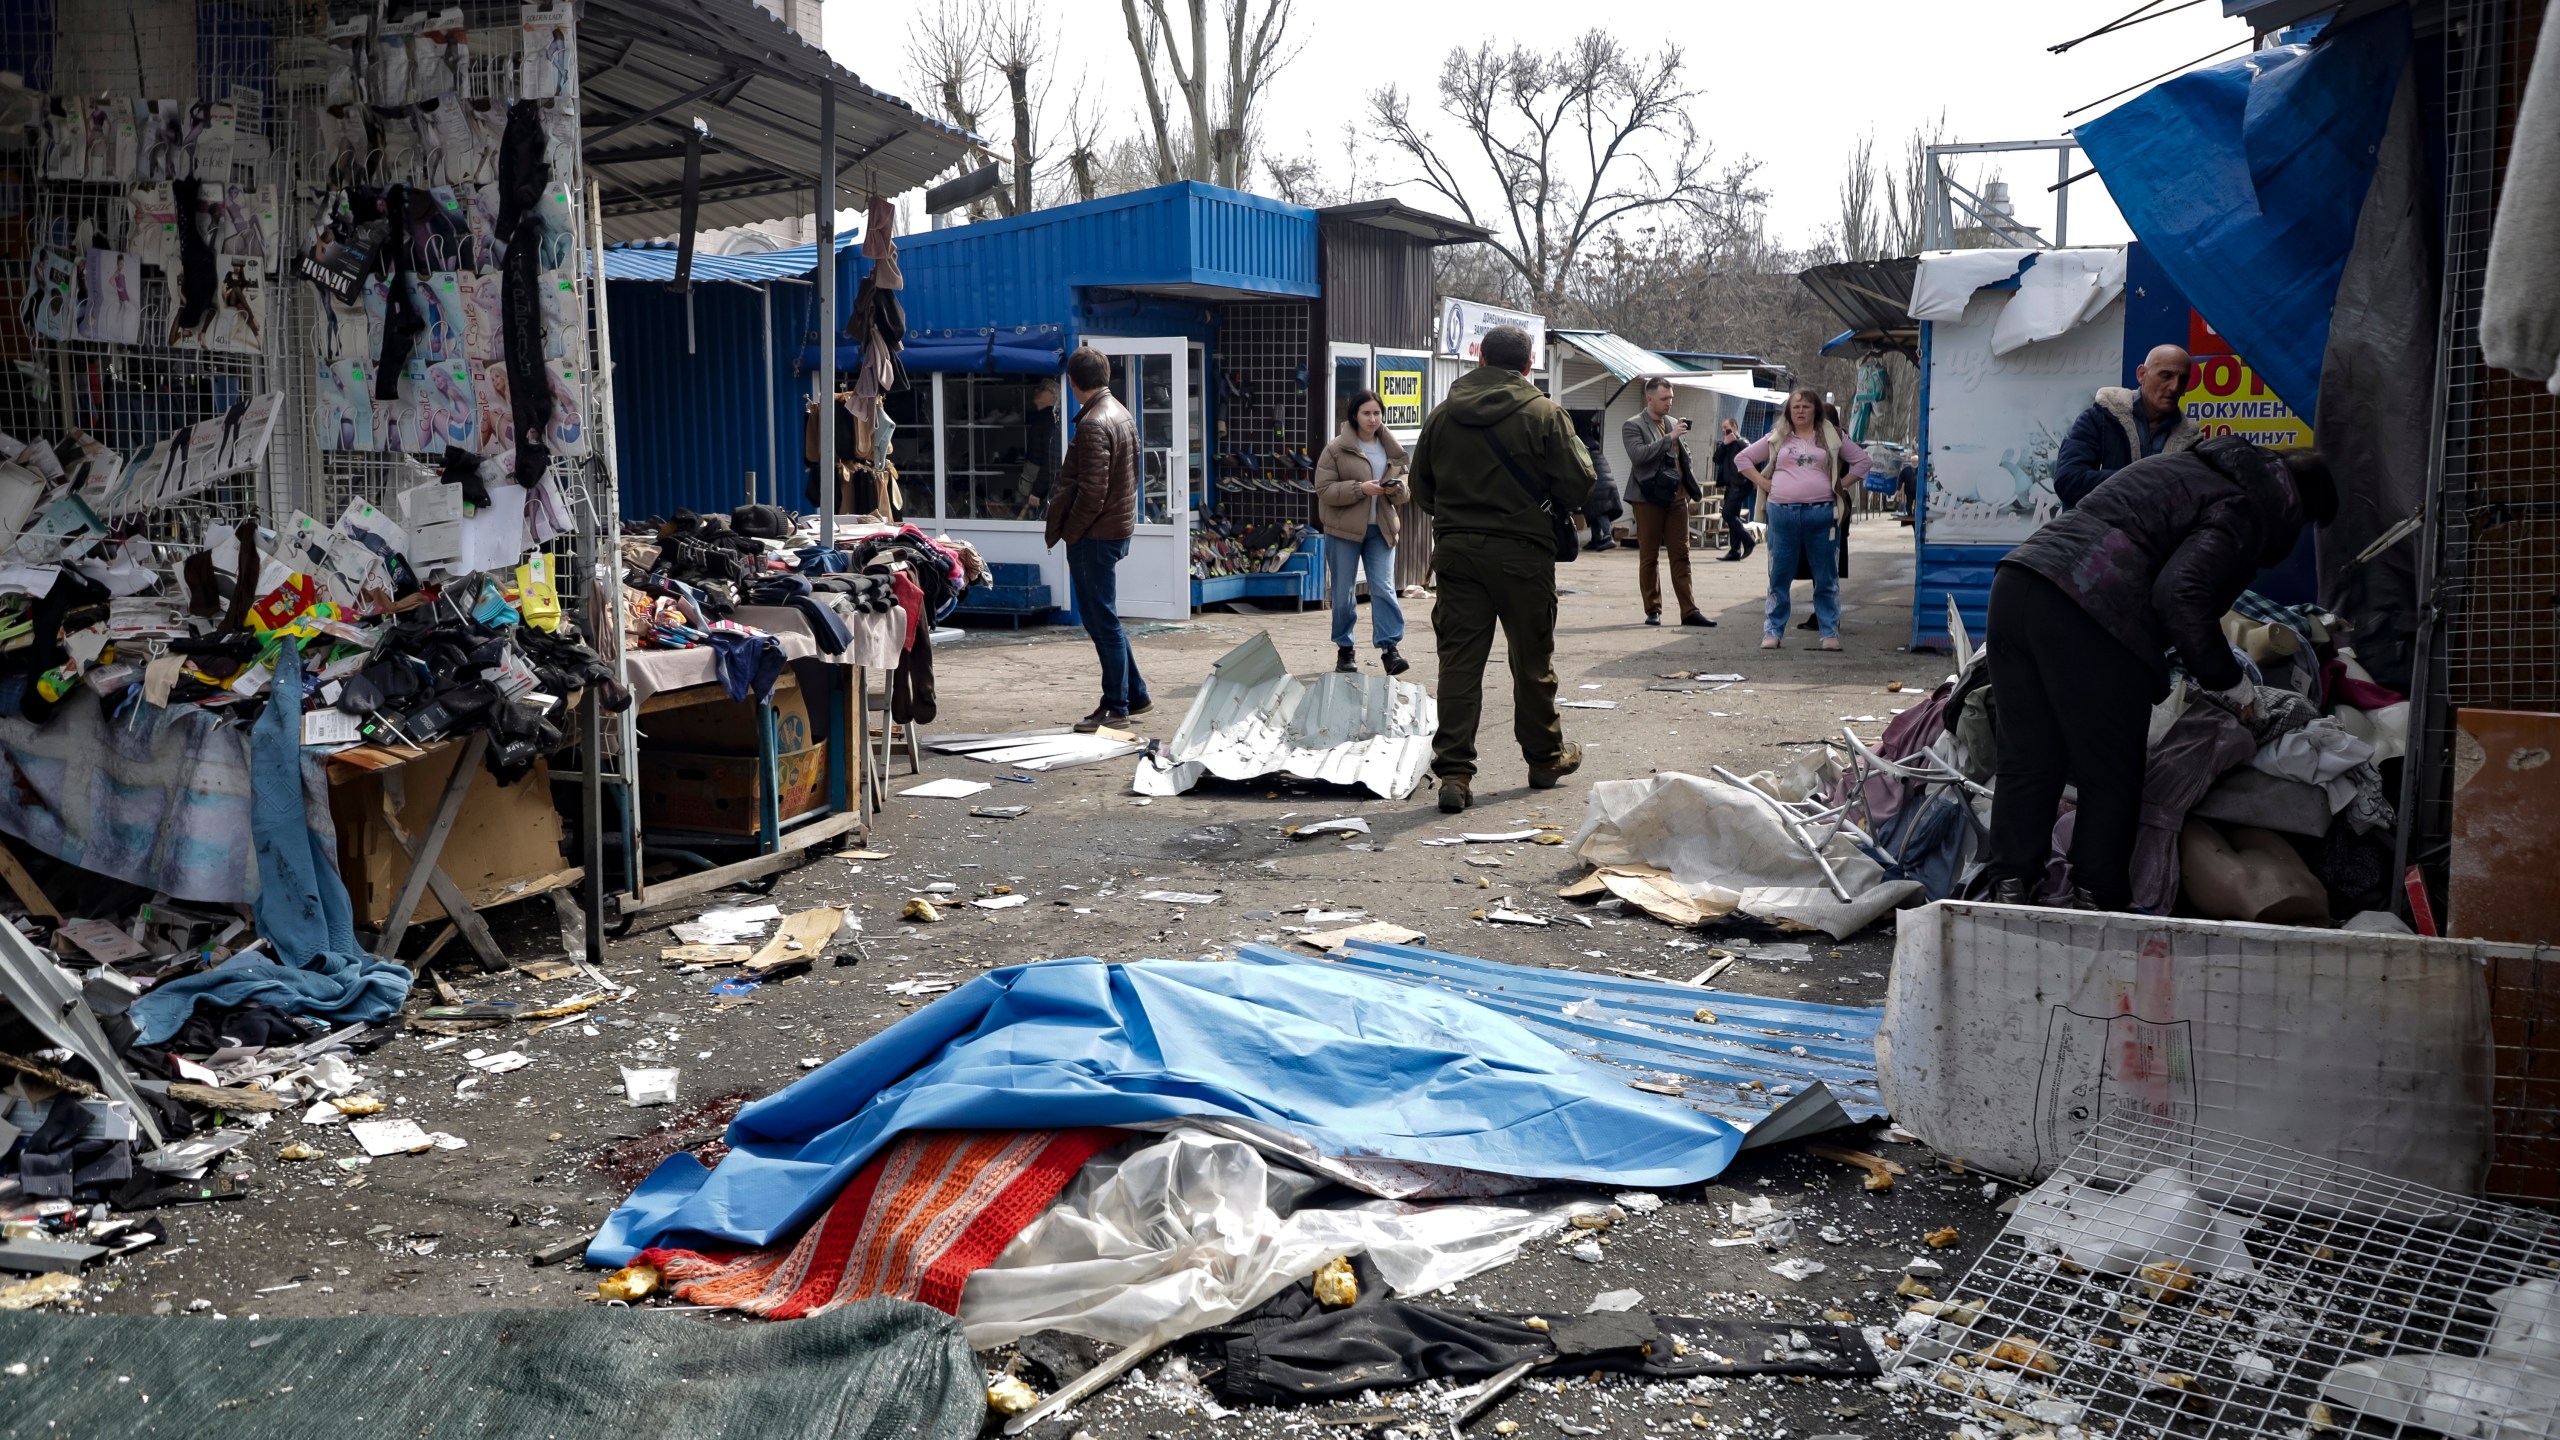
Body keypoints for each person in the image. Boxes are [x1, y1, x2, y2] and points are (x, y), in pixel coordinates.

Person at [1983, 437, 2337, 911]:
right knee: (2109, 771)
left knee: (2029, 755)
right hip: (2090, 605)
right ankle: (2096, 897)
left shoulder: (2192, 467)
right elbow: (2182, 594)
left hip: (2019, 585)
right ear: (2298, 506)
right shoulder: (2247, 506)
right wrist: (2230, 681)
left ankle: (2009, 887)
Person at [1408, 324, 1595, 814]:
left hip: (1457, 554)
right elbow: (1579, 484)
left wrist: (1462, 517)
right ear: (1529, 365)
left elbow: (1421, 488)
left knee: (1460, 664)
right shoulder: (1545, 414)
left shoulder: (1443, 415)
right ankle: (1544, 759)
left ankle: (1454, 773)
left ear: (1480, 360)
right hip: (1524, 557)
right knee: (1531, 662)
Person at [1045, 346, 1152, 733]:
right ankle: (1135, 693)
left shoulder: (1093, 423)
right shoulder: (1120, 413)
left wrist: (1071, 533)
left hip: (1095, 534)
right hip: (1115, 528)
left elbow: (1092, 491)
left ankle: (1116, 705)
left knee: (1101, 620)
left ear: (1072, 383)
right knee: (1107, 618)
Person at [1736, 388, 1869, 650]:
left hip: (1822, 515)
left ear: (1815, 411)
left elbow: (1862, 463)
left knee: (1826, 575)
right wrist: (1764, 482)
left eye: (1806, 406)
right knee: (1779, 576)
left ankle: (1829, 633)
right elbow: (1743, 459)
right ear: (1788, 411)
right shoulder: (1777, 437)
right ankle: (1772, 632)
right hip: (1782, 514)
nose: (1800, 411)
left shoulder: (1832, 437)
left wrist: (1839, 486)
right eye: (1795, 407)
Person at [1314, 389, 1412, 676]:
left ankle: (1390, 649)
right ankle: (1345, 650)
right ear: (1354, 416)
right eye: (1366, 413)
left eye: (1377, 413)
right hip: (1343, 531)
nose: (1372, 419)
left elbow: (1405, 488)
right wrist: (1361, 489)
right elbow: (1323, 490)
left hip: (1380, 529)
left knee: (1382, 588)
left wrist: (1399, 489)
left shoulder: (1391, 447)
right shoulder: (1336, 449)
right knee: (1344, 592)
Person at [2054, 344, 2201, 510]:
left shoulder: (2192, 440)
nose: (2175, 387)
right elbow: (2068, 482)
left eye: (2183, 379)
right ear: (2142, 374)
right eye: (2165, 375)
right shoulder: (2098, 420)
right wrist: (2144, 481)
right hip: (2095, 533)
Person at [1619, 379, 1713, 627]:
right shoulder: (1633, 425)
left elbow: (1684, 455)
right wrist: (1668, 438)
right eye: (1664, 398)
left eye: (1671, 397)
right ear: (1649, 398)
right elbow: (1639, 456)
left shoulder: (1673, 422)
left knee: (1681, 554)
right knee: (1649, 555)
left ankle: (1689, 610)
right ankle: (1653, 609)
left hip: (1676, 497)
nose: (1669, 402)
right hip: (1648, 497)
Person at [1573, 409, 1622, 551]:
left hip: (1598, 484)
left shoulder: (1581, 443)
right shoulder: (1593, 442)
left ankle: (1607, 537)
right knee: (1593, 512)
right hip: (1605, 482)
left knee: (1600, 512)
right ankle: (1596, 540)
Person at [1713, 417, 1754, 561]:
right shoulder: (1725, 445)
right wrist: (1724, 444)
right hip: (1731, 486)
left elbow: (1754, 456)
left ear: (1735, 427)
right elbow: (1716, 459)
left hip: (1741, 484)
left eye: (1727, 428)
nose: (1724, 431)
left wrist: (1755, 479)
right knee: (1732, 516)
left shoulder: (1742, 443)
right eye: (1722, 429)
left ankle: (1748, 540)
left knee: (1727, 514)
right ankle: (1734, 550)